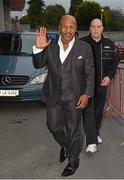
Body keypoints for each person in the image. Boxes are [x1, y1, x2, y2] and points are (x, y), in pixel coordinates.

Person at [32, 15, 95, 176]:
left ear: (75, 29)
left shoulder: (84, 48)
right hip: (53, 96)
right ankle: (66, 146)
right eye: (64, 27)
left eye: (71, 27)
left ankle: (73, 161)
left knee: (75, 131)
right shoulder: (50, 46)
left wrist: (87, 94)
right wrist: (38, 48)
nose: (68, 30)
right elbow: (38, 64)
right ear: (59, 27)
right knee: (53, 126)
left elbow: (89, 74)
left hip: (75, 98)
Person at [81, 18, 119, 153]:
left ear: (102, 28)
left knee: (98, 112)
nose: (96, 29)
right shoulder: (82, 43)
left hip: (102, 85)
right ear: (90, 28)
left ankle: (94, 133)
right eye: (93, 27)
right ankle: (91, 142)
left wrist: (109, 76)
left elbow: (114, 63)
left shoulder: (109, 44)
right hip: (86, 86)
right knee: (88, 112)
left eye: (98, 27)